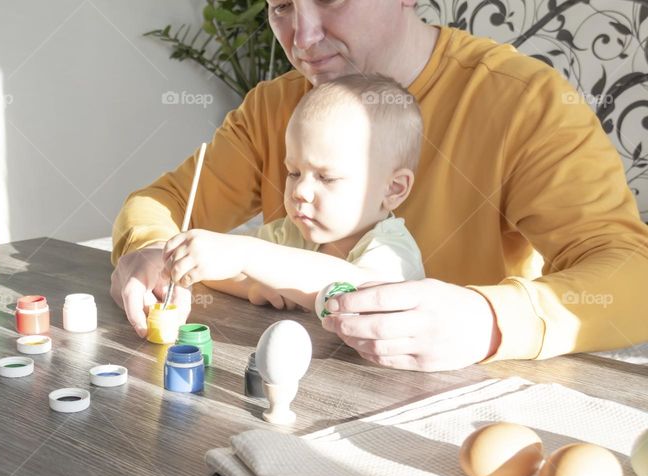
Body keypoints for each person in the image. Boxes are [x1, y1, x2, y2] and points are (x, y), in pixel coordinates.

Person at [110, 0, 648, 371]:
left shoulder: (525, 104)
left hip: (465, 410)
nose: (303, 37)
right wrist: (150, 248)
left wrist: (488, 320)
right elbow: (162, 204)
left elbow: (633, 276)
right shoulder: (274, 106)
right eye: (280, 7)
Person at [162, 73, 425, 314]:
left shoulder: (392, 249)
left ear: (394, 188)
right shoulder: (291, 233)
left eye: (326, 177)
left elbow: (353, 293)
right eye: (293, 173)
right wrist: (252, 285)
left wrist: (247, 256)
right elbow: (220, 266)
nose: (300, 191)